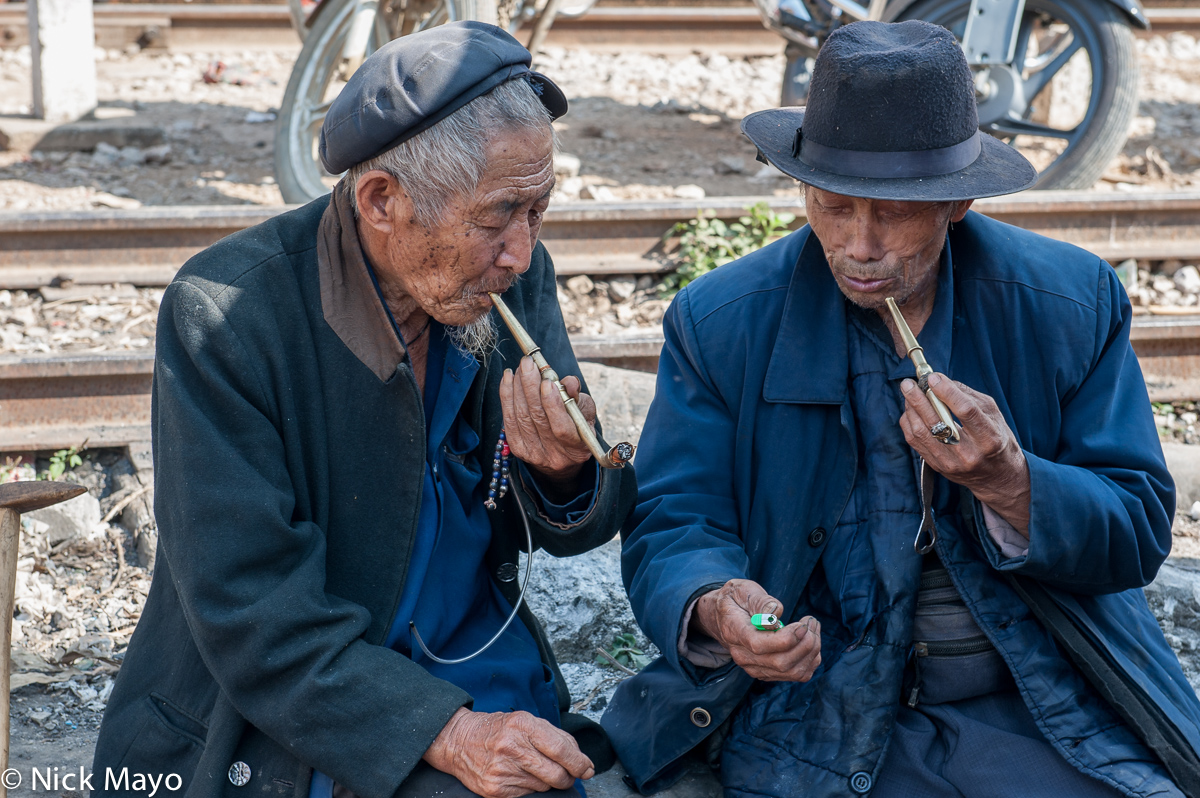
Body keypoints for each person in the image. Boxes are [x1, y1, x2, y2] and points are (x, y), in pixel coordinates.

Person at [602, 19, 1200, 798]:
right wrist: (718, 604)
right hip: (807, 713)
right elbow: (677, 518)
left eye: (893, 212)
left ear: (958, 202)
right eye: (833, 205)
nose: (859, 245)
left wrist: (1013, 483)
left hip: (1036, 699)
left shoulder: (1069, 304)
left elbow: (1137, 528)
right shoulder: (723, 322)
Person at [92, 22, 636, 798]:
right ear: (383, 201)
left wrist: (565, 471)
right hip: (312, 707)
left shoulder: (513, 270)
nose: (520, 249)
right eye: (496, 217)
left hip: (476, 658)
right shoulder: (225, 315)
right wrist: (445, 732)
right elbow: (251, 609)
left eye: (539, 212)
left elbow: (576, 521)